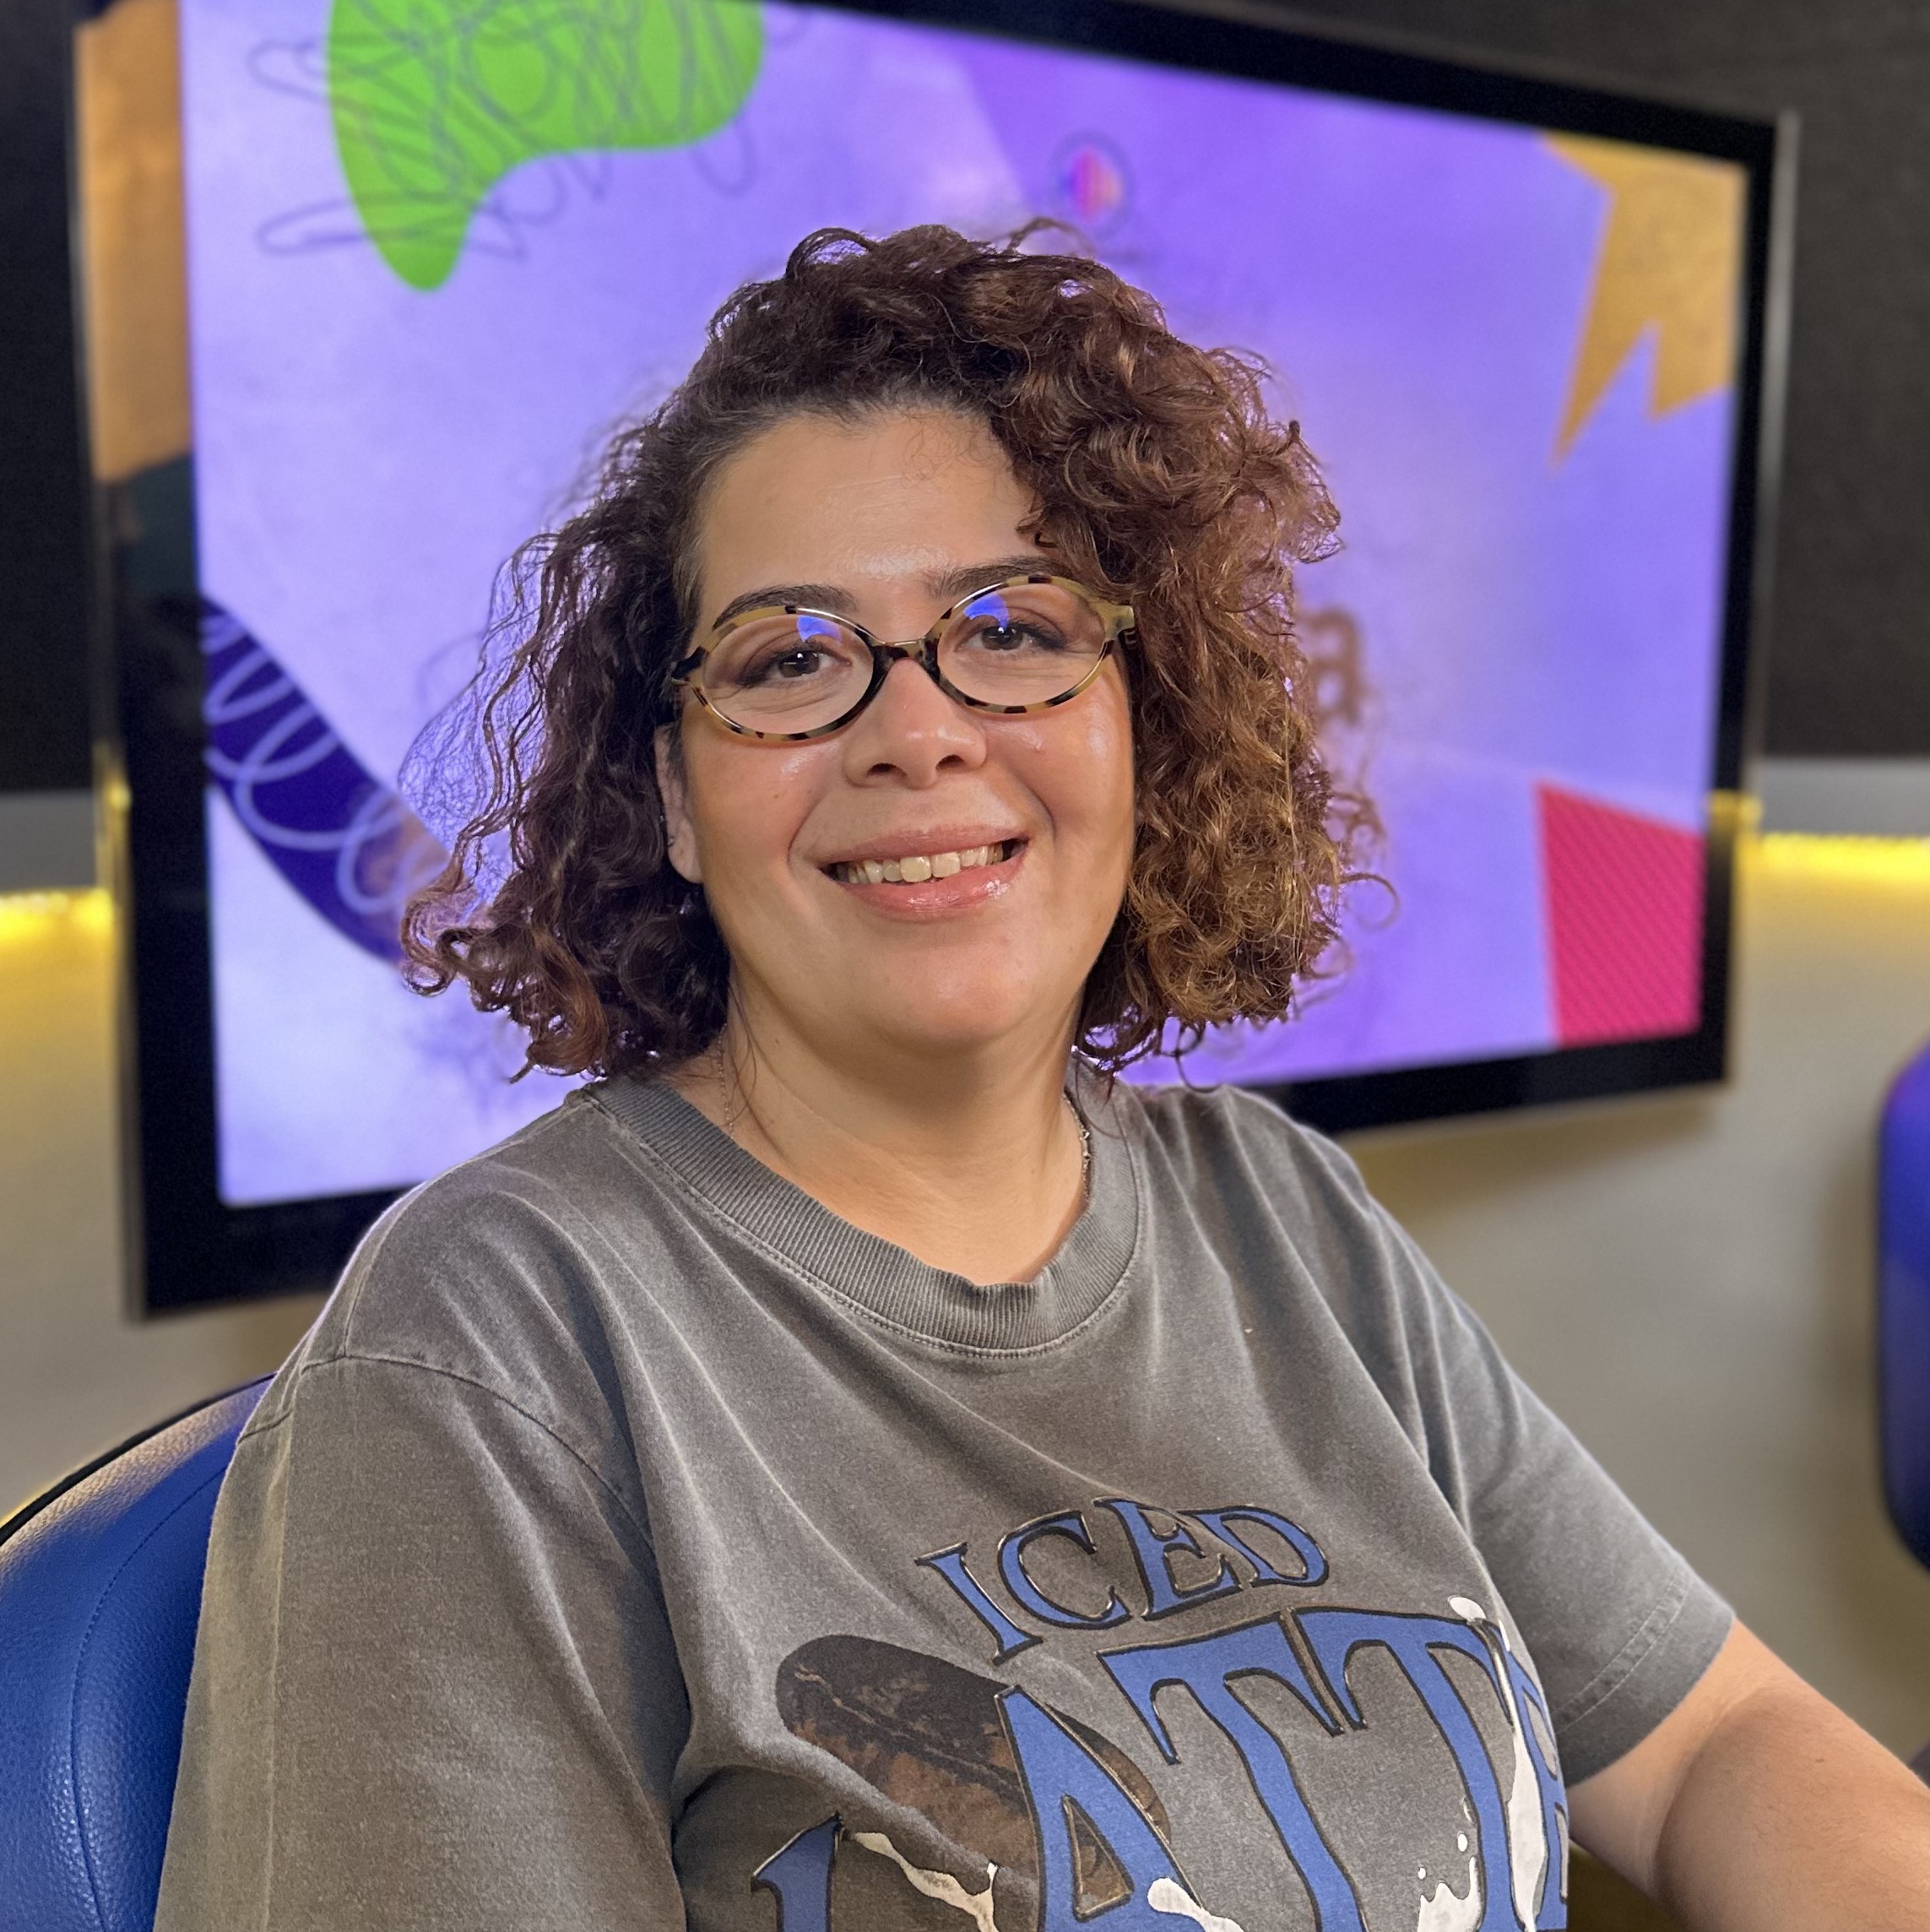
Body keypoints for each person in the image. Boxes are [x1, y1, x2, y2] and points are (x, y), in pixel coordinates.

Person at [156, 226, 1930, 1932]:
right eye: (791, 659)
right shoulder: (493, 1338)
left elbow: (1714, 1746)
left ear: (1139, 719)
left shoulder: (1282, 1214)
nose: (919, 729)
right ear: (677, 799)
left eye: (1011, 628)